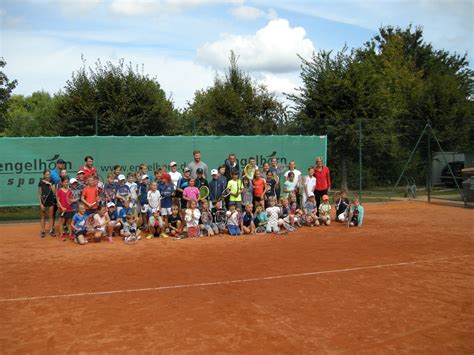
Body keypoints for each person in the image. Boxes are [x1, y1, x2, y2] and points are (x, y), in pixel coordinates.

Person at [38, 169, 56, 238]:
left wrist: (50, 184)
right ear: (44, 175)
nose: (47, 176)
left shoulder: (52, 181)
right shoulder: (41, 182)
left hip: (51, 201)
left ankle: (51, 230)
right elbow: (39, 194)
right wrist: (41, 204)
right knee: (43, 216)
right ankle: (43, 231)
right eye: (46, 174)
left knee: (51, 216)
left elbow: (54, 192)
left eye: (49, 174)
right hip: (43, 202)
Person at [56, 176, 74, 241]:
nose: (66, 183)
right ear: (62, 183)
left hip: (69, 209)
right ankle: (61, 235)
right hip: (62, 209)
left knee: (69, 222)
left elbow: (70, 200)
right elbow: (58, 200)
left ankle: (70, 234)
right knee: (62, 222)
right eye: (65, 182)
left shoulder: (70, 191)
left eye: (67, 182)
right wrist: (62, 207)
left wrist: (73, 200)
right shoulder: (60, 191)